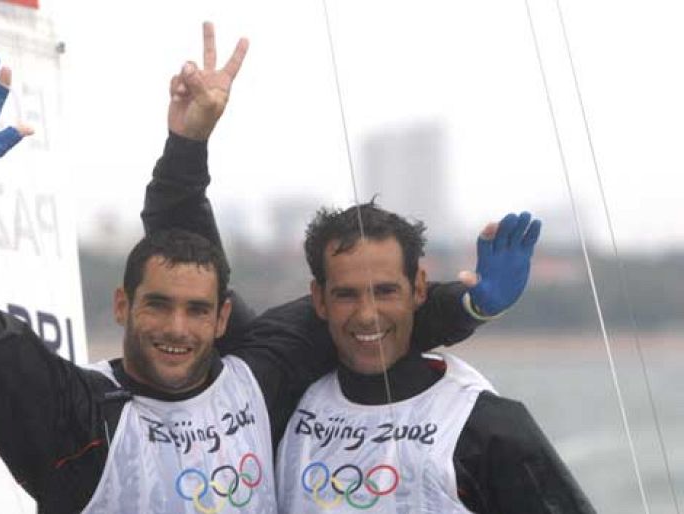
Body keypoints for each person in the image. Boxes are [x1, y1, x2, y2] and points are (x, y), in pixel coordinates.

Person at [0, 30, 489, 514]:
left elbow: (366, 316)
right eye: (157, 305)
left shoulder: (258, 376)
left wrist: (467, 306)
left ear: (223, 319)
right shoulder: (77, 416)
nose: (177, 328)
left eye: (196, 310)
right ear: (122, 307)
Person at [151, 24, 596, 514]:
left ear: (419, 288)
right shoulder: (279, 388)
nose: (366, 314)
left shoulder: (486, 425)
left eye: (385, 291)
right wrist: (187, 144)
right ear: (318, 299)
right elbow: (186, 266)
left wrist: (469, 306)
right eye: (345, 295)